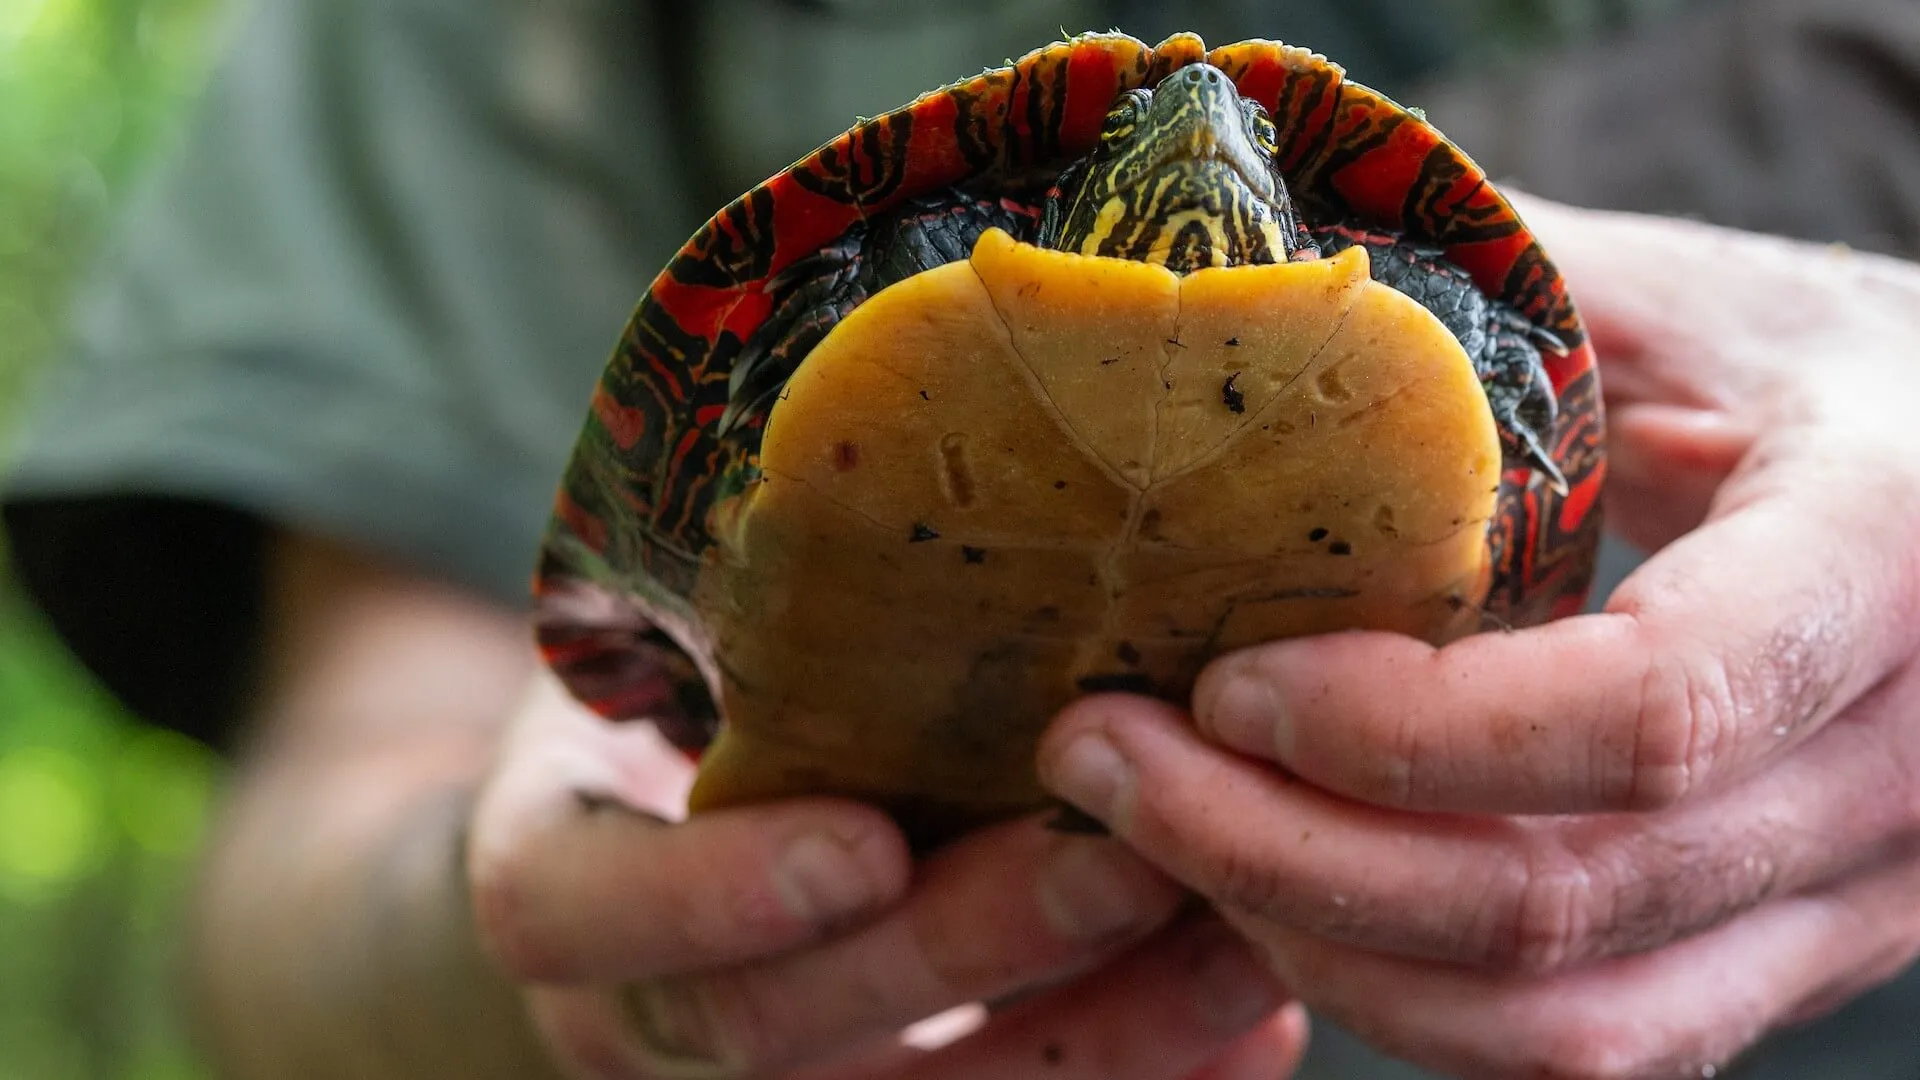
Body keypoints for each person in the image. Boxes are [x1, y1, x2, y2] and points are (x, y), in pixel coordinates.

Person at [5, 0, 1920, 1077]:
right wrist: (546, 954)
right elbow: (313, 848)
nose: (1202, 126)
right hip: (851, 792)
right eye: (1155, 142)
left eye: (1240, 151)